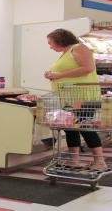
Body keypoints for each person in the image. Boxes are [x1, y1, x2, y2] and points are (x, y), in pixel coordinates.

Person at [44, 28, 106, 171]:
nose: (50, 46)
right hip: (69, 98)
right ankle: (74, 161)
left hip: (83, 97)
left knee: (84, 126)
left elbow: (88, 68)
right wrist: (52, 74)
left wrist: (58, 75)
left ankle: (100, 161)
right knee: (70, 128)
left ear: (60, 40)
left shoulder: (79, 48)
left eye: (50, 42)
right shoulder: (66, 52)